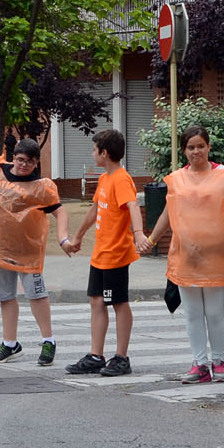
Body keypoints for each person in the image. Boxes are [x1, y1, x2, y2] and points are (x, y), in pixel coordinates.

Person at [142, 125, 224, 385]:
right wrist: (151, 240)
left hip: (217, 256)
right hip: (186, 256)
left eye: (200, 146)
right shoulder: (176, 179)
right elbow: (167, 214)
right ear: (184, 150)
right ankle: (200, 363)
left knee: (215, 313)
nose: (196, 151)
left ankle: (219, 361)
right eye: (191, 147)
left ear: (209, 147)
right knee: (193, 313)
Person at [0, 138, 70, 367]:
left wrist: (63, 239)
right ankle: (10, 344)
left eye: (28, 162)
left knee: (36, 294)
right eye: (19, 160)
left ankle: (48, 340)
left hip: (28, 252)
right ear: (13, 158)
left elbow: (60, 212)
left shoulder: (41, 187)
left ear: (36, 163)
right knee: (5, 296)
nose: (23, 165)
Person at [65, 128, 146, 377]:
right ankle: (95, 355)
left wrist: (139, 233)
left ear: (105, 152)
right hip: (101, 253)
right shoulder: (104, 179)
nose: (92, 154)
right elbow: (94, 209)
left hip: (116, 254)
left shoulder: (121, 179)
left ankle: (121, 357)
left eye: (94, 149)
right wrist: (77, 236)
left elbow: (132, 204)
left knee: (118, 302)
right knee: (97, 301)